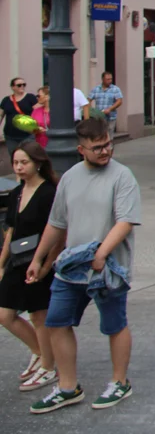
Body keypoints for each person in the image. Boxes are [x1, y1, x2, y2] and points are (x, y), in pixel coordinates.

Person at [26, 117, 142, 414]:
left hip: (109, 268)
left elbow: (125, 221)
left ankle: (119, 382)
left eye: (108, 144)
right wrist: (39, 259)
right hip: (72, 265)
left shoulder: (122, 176)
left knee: (114, 324)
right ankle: (68, 387)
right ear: (81, 149)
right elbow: (56, 223)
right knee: (57, 321)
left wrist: (102, 254)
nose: (105, 151)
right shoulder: (70, 178)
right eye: (97, 147)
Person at [0, 141, 61, 393]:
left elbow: (58, 233)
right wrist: (1, 263)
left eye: (24, 162)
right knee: (5, 314)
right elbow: (10, 231)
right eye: (16, 163)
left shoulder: (49, 193)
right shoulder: (16, 193)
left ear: (37, 163)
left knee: (38, 315)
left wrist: (46, 266)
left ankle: (48, 366)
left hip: (40, 262)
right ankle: (39, 351)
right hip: (18, 260)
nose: (19, 167)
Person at [1, 76, 38, 161]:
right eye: (19, 85)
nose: (22, 87)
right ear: (13, 87)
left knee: (28, 156)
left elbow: (38, 113)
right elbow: (1, 115)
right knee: (14, 156)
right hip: (10, 135)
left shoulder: (30, 98)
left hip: (27, 134)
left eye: (24, 85)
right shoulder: (6, 100)